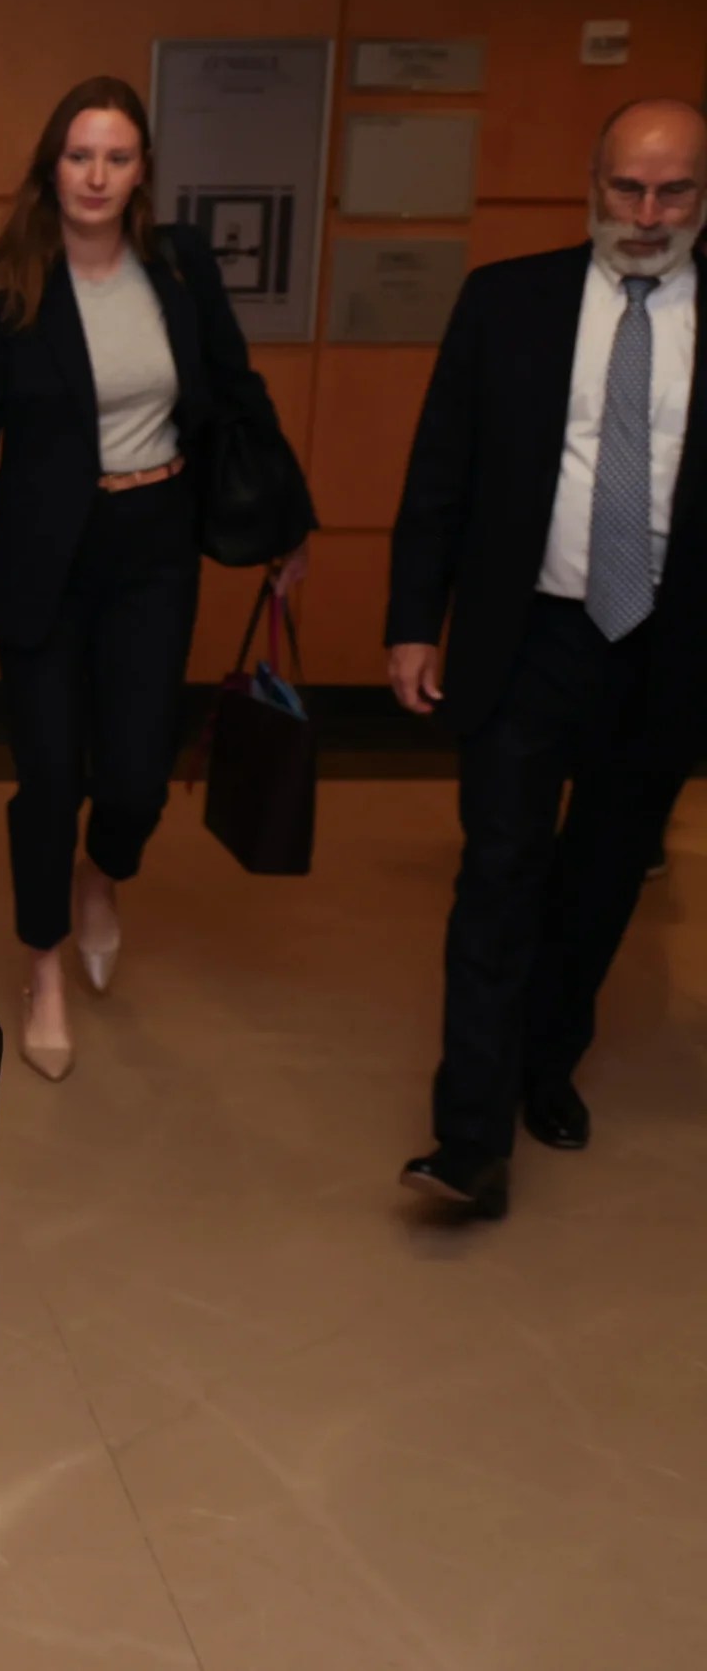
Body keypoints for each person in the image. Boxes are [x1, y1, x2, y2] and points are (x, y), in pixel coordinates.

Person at [0, 76, 309, 1081]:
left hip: (152, 546)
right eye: (79, 155)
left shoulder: (178, 270)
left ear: (141, 172)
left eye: (116, 157)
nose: (96, 175)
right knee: (48, 776)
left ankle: (102, 870)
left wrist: (285, 522)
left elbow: (236, 392)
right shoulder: (6, 294)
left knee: (132, 777)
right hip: (41, 562)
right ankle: (42, 966)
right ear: (51, 166)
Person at [387, 98, 705, 1219]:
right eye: (629, 188)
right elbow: (441, 473)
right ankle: (469, 1136)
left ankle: (544, 1062)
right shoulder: (507, 303)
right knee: (498, 876)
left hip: (663, 649)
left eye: (673, 191)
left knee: (602, 881)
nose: (649, 214)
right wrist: (412, 621)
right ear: (593, 181)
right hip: (526, 638)